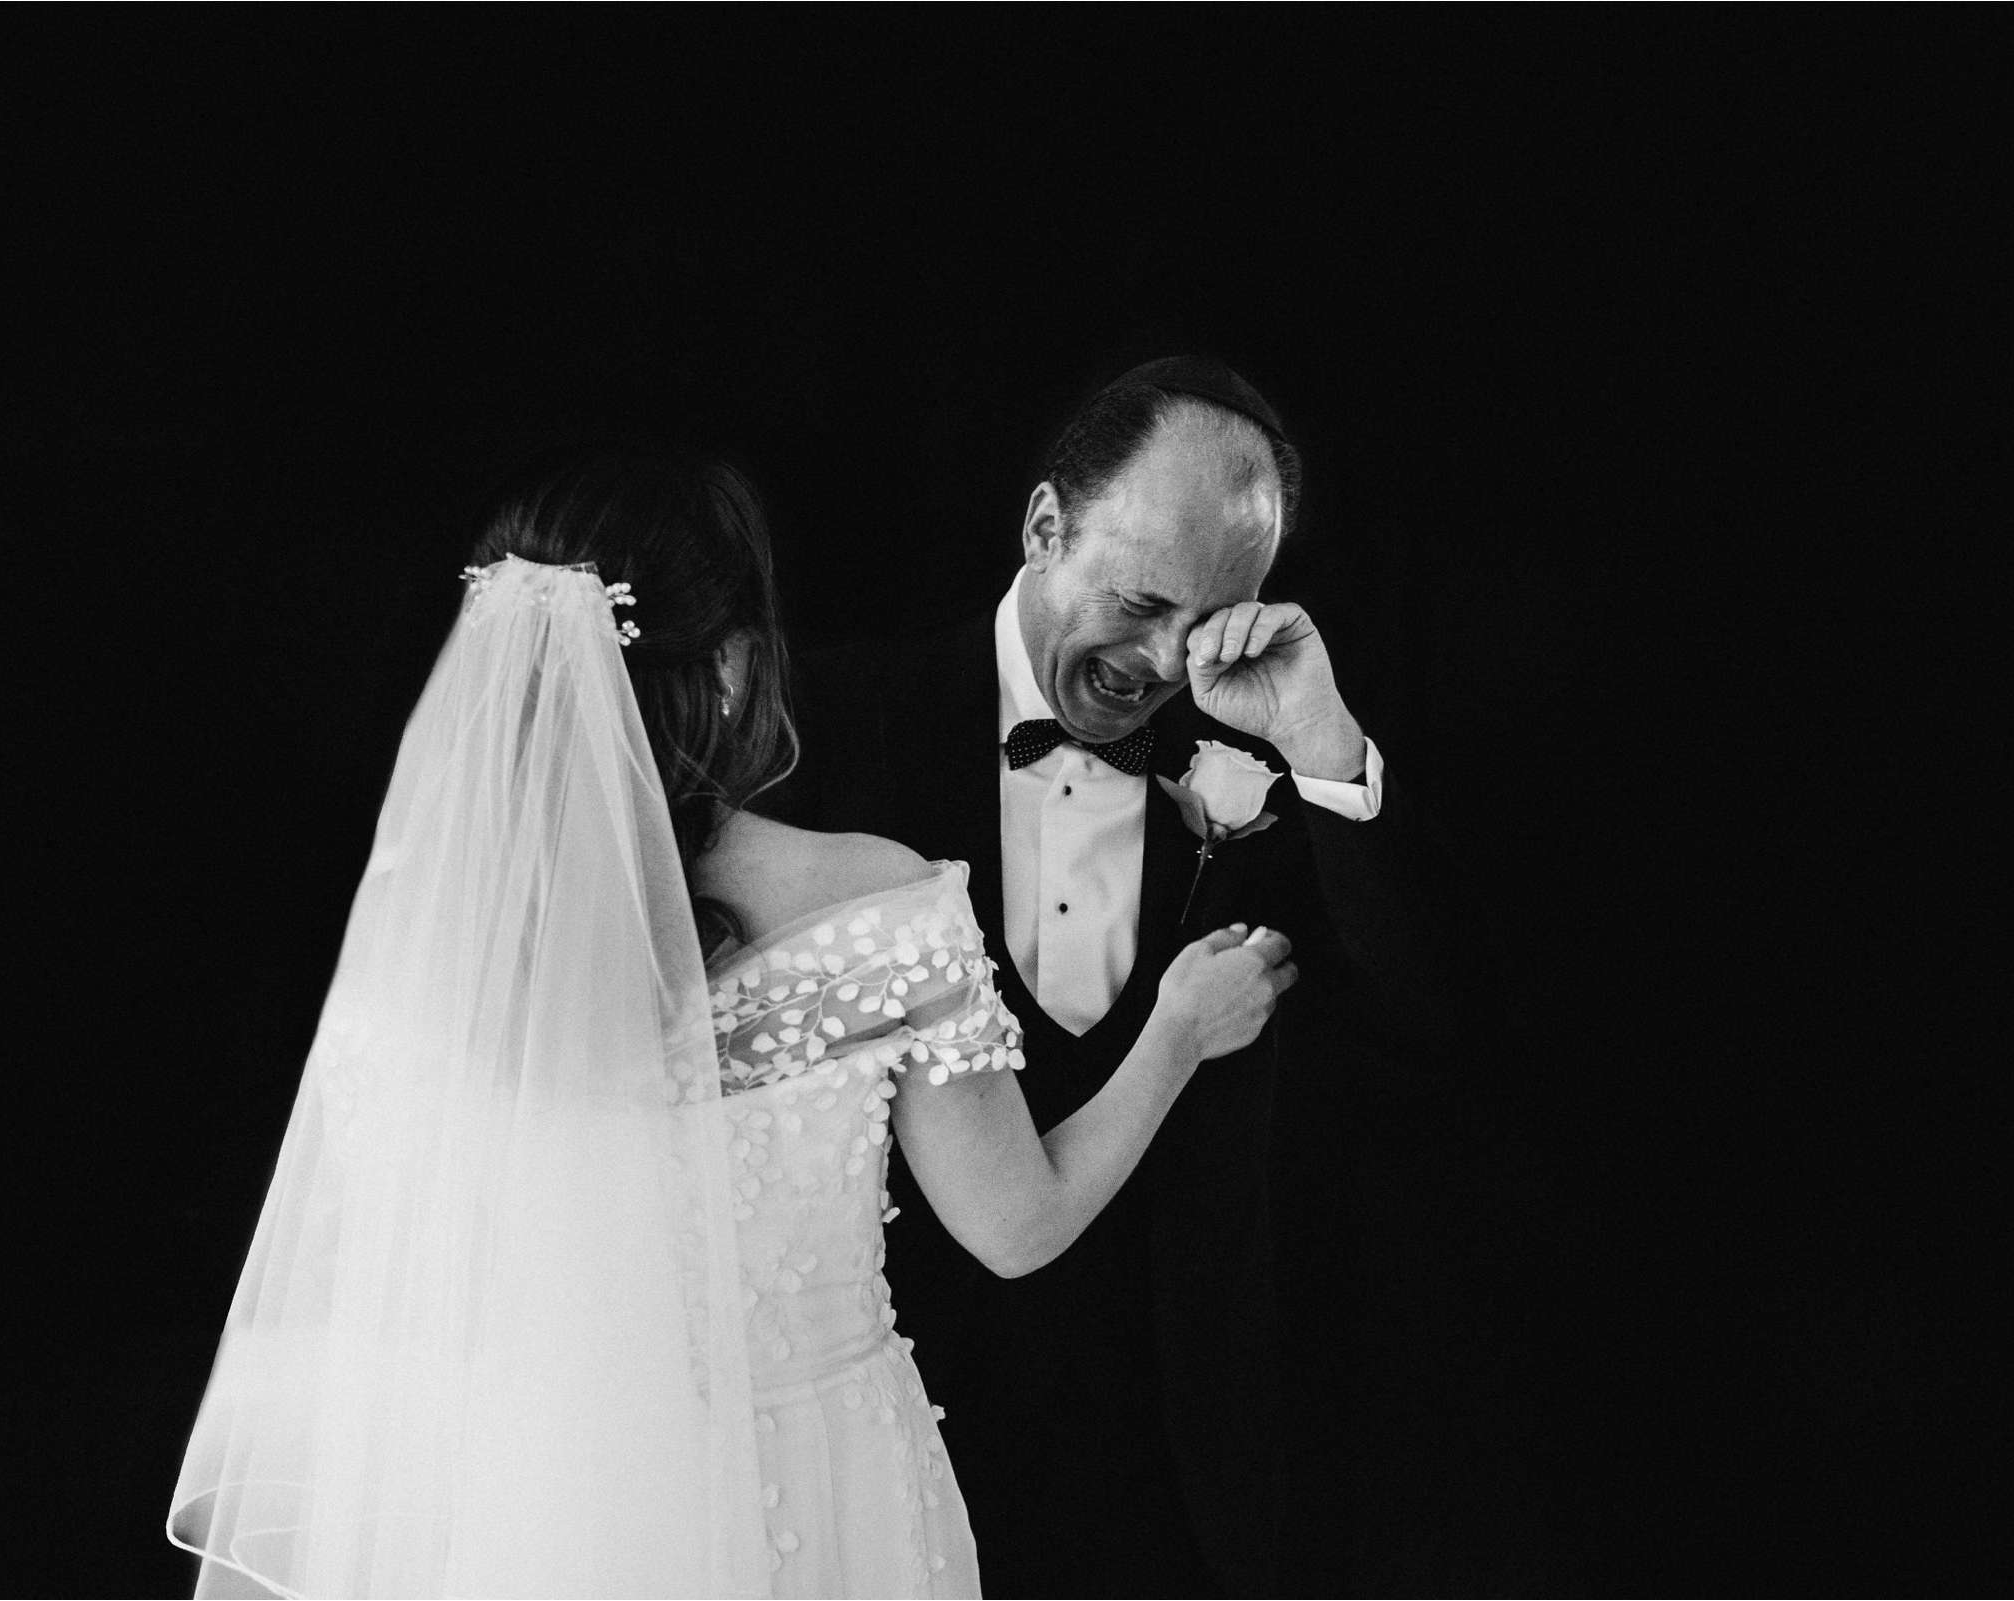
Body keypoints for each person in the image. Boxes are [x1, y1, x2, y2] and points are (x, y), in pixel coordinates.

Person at [166, 447, 1297, 1599]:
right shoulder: (875, 902)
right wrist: (1179, 1033)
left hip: (526, 1499)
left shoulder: (430, 940)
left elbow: (361, 1316)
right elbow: (1017, 1224)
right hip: (819, 1495)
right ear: (733, 667)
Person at [776, 356, 1426, 1596]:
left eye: (1208, 619)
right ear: (1041, 525)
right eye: (1136, 600)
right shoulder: (832, 728)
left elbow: (1421, 1007)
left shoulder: (1260, 742)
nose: (1165, 661)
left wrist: (1323, 740)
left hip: (1172, 1443)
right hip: (892, 1414)